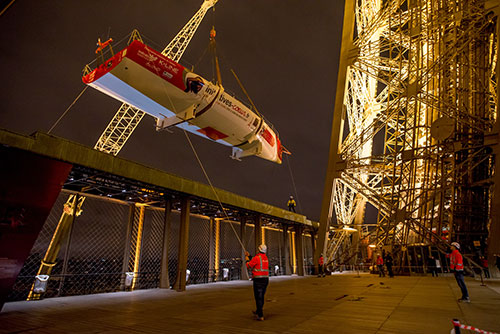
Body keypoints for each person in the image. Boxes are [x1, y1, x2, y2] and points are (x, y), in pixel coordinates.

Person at [245, 245, 269, 321]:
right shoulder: (265, 258)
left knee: (258, 297)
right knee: (261, 296)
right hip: (265, 279)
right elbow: (256, 261)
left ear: (259, 250)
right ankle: (258, 311)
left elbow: (248, 265)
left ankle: (260, 315)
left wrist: (246, 259)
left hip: (258, 280)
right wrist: (249, 256)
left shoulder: (257, 258)